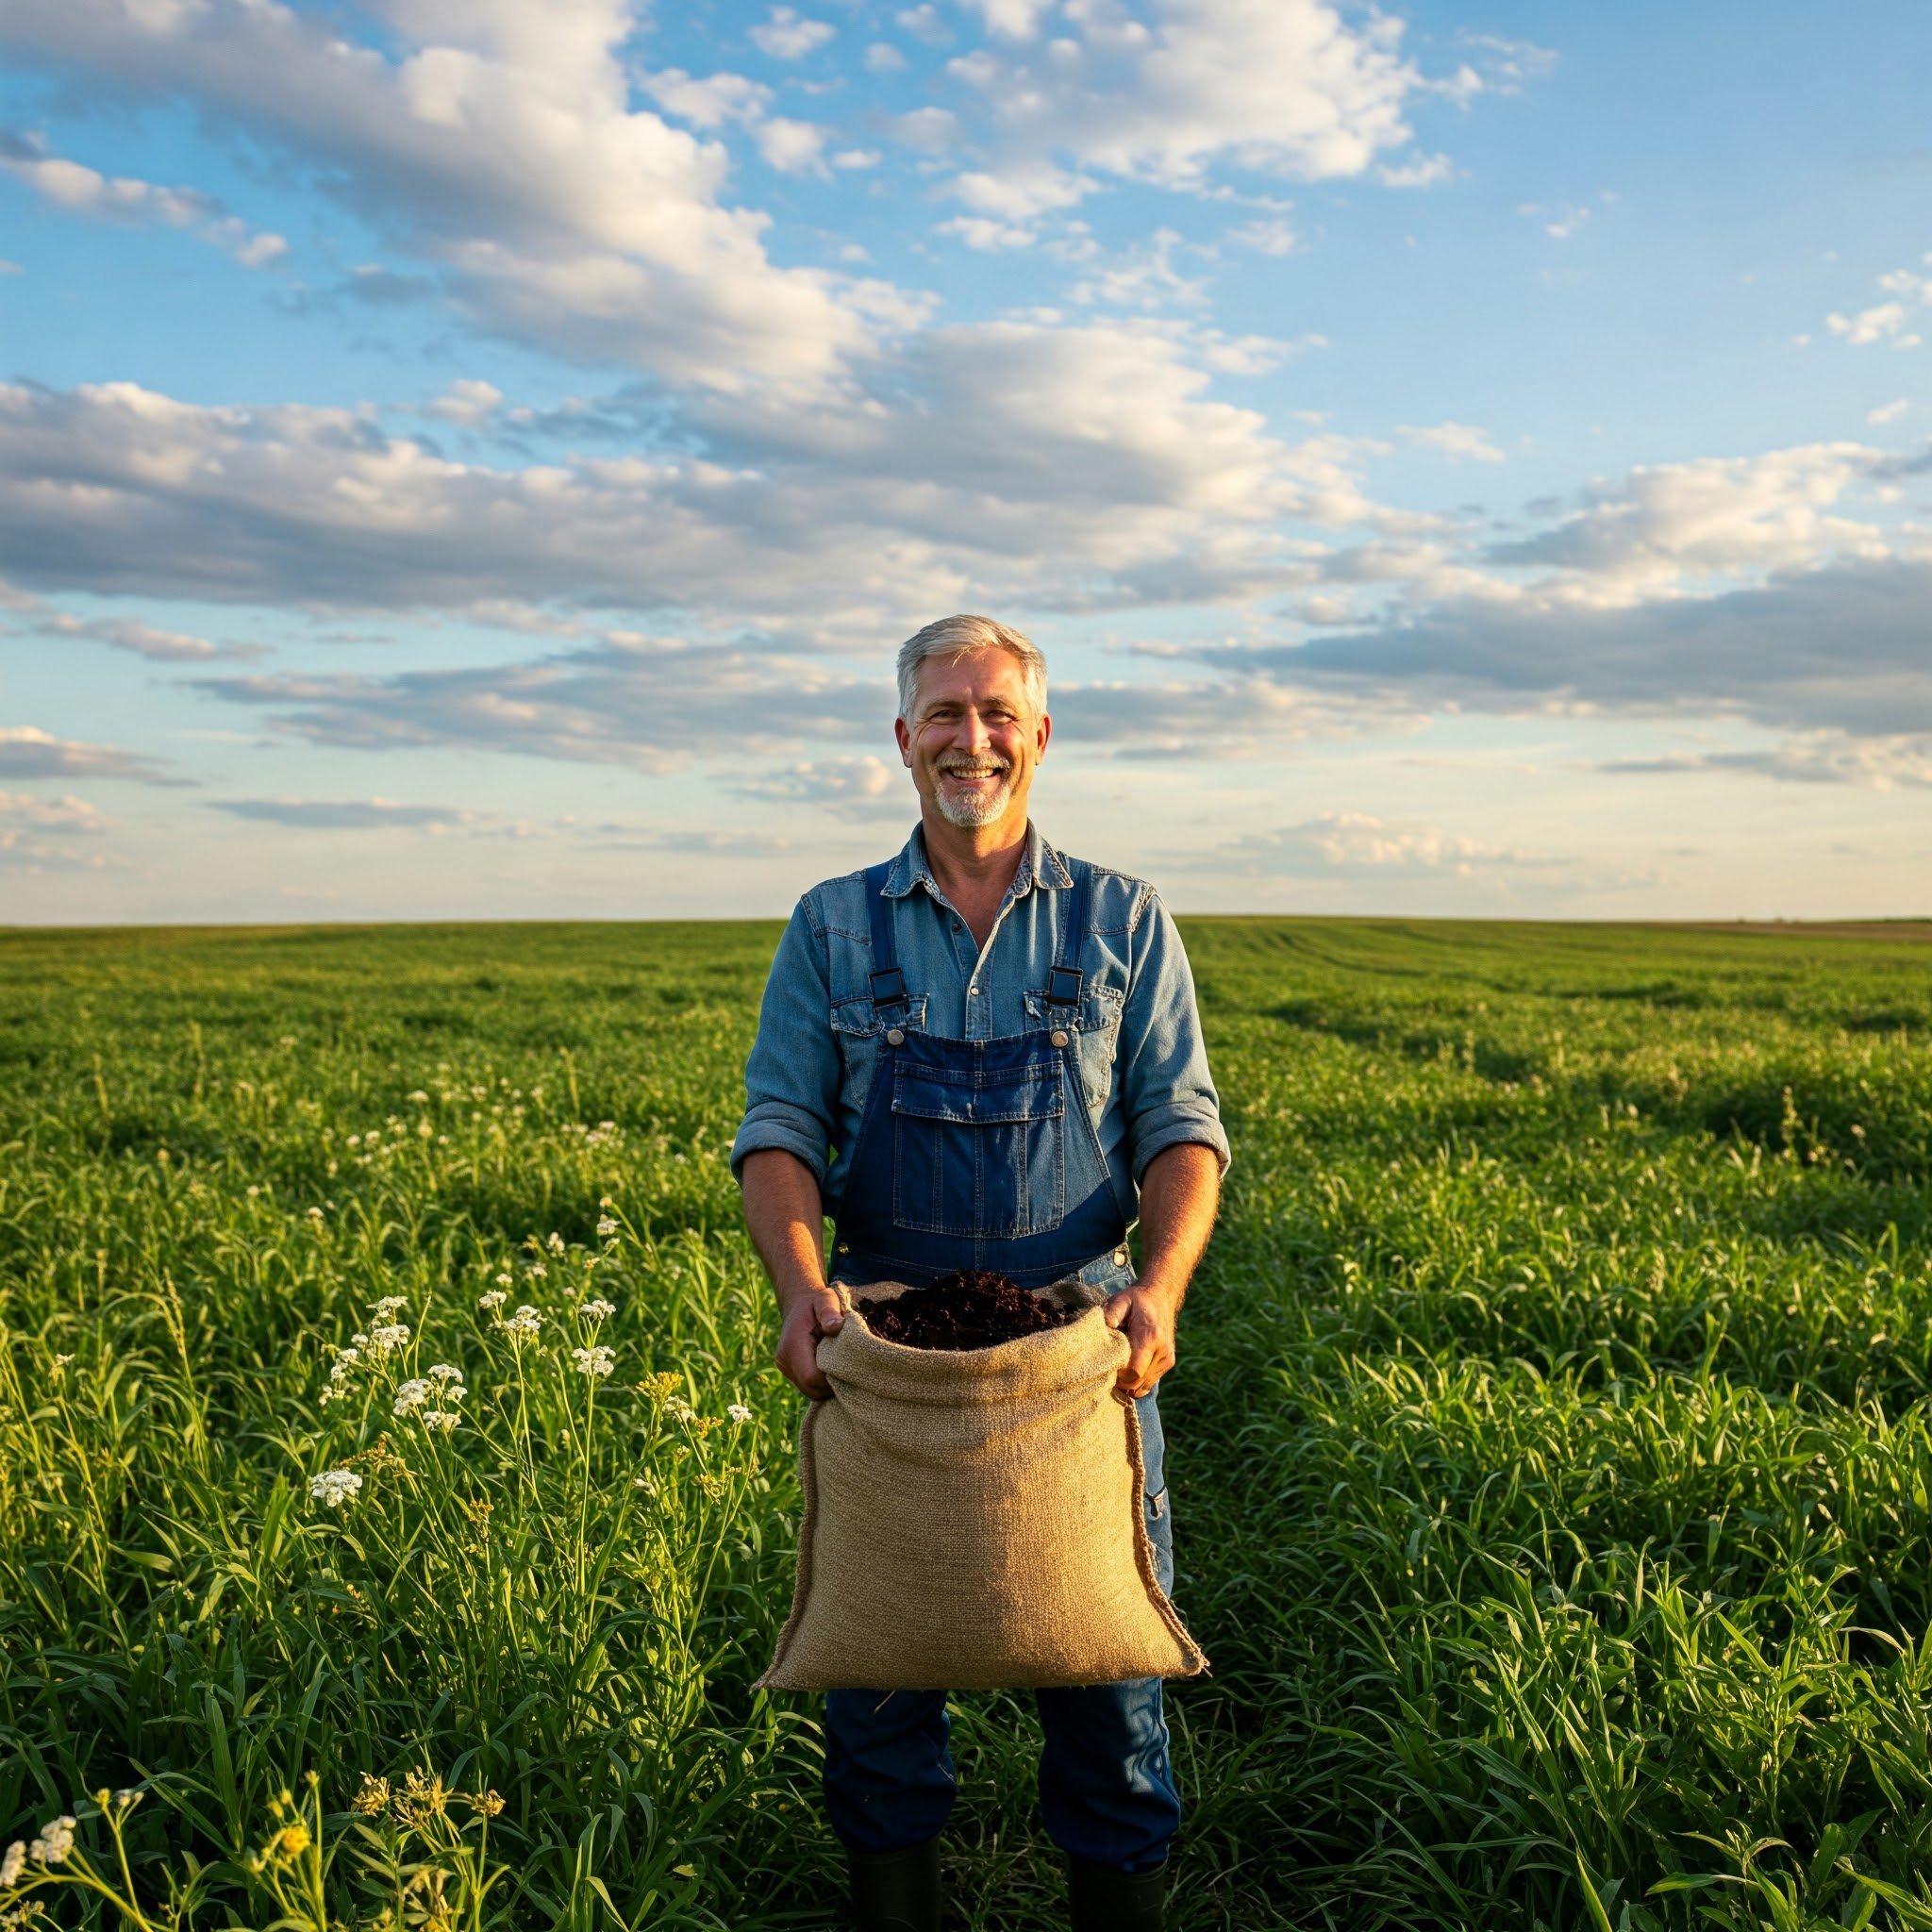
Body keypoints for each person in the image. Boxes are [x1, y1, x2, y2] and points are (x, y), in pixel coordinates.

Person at [730, 614, 1228, 1932]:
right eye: (945, 714)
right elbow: (778, 1131)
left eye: (998, 713)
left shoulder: (1122, 918)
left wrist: (1157, 1293)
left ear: (1041, 736)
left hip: (1079, 1353)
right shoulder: (832, 927)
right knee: (880, 1710)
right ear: (904, 740)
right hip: (892, 1357)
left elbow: (1183, 1130)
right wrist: (801, 1292)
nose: (973, 738)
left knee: (1111, 1699)